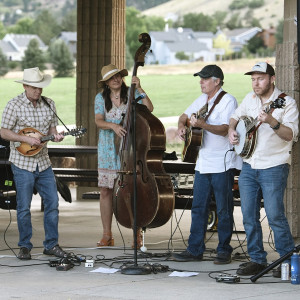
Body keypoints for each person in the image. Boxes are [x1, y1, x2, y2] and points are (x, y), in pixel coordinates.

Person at [228, 62, 299, 276]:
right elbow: (235, 116)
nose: (255, 83)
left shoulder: (286, 103)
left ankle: (286, 260)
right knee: (248, 215)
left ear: (271, 78)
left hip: (274, 165)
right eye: (252, 79)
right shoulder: (250, 99)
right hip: (249, 165)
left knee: (275, 214)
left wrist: (271, 121)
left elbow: (291, 135)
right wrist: (232, 130)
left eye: (260, 78)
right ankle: (257, 259)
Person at [172, 65, 242, 264]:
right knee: (198, 207)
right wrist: (181, 127)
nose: (201, 82)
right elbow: (184, 116)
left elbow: (225, 129)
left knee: (223, 208)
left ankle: (224, 249)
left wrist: (202, 125)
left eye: (205, 79)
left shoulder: (227, 100)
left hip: (222, 162)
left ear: (217, 81)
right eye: (200, 79)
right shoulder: (201, 100)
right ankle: (195, 249)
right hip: (202, 162)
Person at [0, 67, 68, 260]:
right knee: (23, 207)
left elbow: (52, 129)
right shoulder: (14, 105)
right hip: (22, 163)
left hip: (43, 162)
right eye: (34, 87)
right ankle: (24, 246)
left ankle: (51, 245)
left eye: (40, 87)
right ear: (25, 86)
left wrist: (56, 137)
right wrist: (27, 140)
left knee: (53, 203)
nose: (38, 91)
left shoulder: (49, 104)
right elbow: (3, 132)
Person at [94, 63, 153, 247]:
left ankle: (137, 234)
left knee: (132, 189)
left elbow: (149, 108)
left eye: (118, 76)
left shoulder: (132, 93)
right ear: (106, 82)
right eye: (111, 78)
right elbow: (98, 121)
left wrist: (141, 88)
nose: (116, 79)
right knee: (106, 190)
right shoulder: (100, 98)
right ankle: (107, 234)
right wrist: (114, 126)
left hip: (129, 149)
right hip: (107, 148)